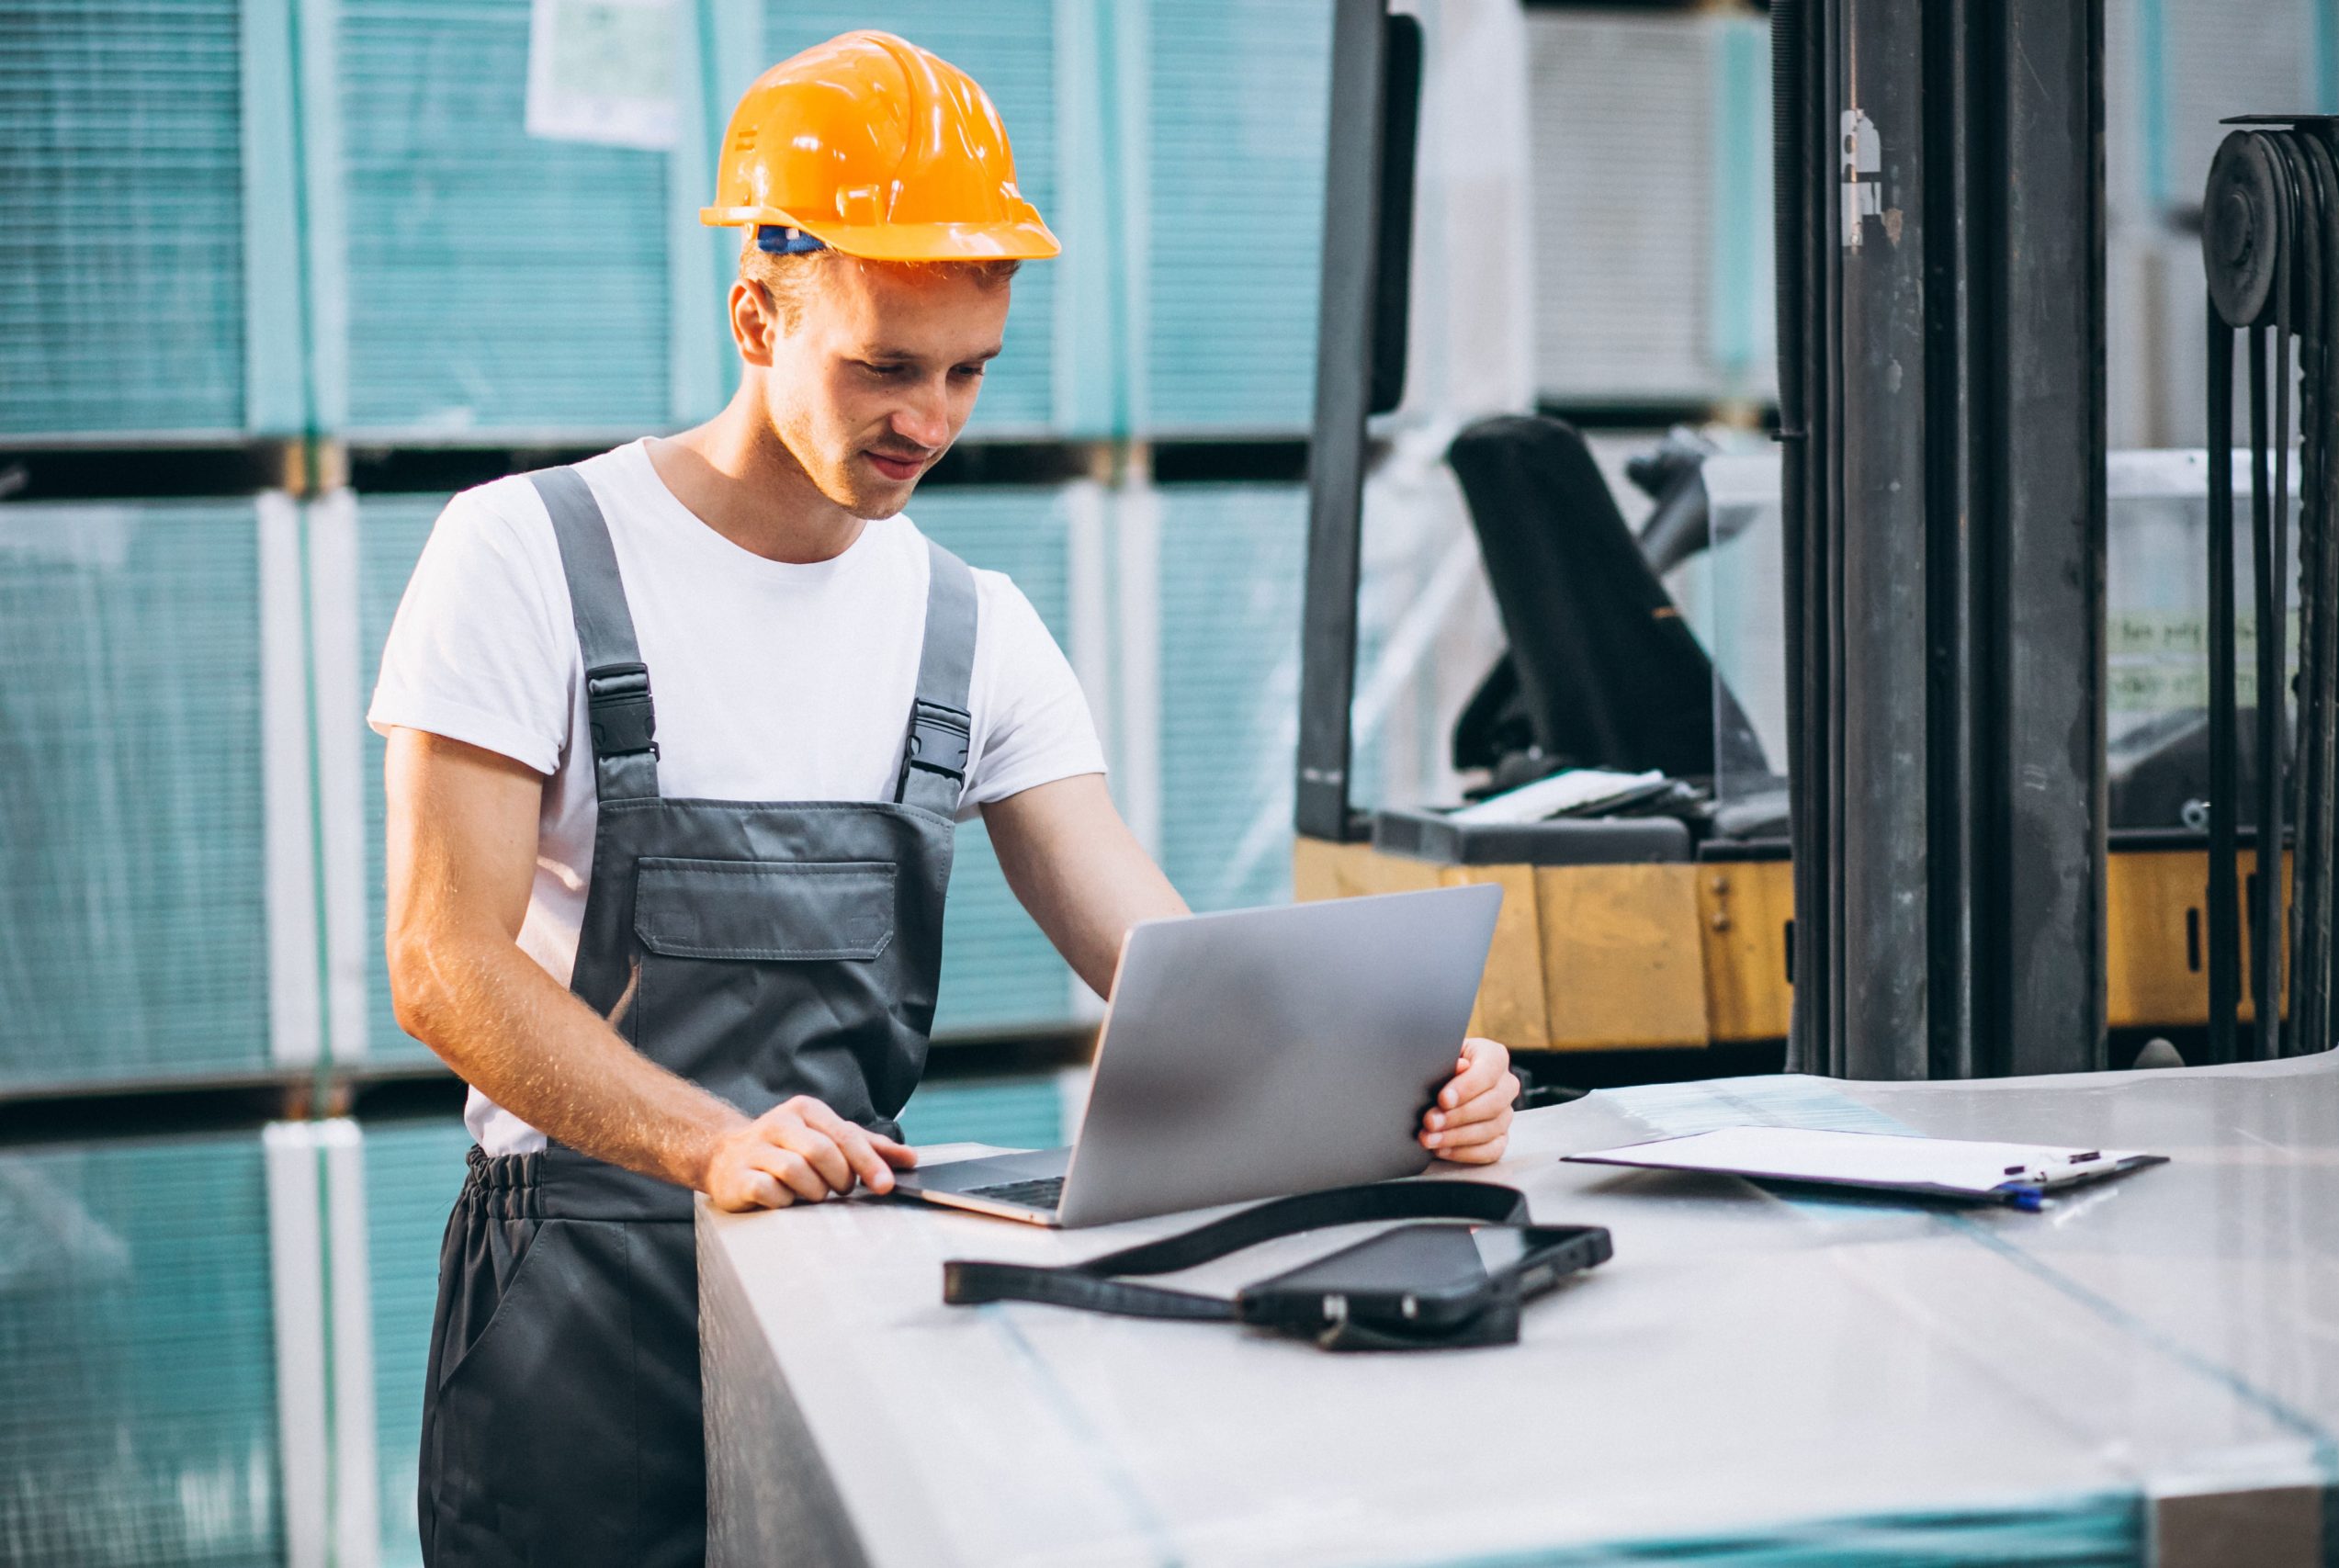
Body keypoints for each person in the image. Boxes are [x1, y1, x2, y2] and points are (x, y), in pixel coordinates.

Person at [375, 30, 1517, 1567]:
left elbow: (1166, 968)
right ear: (757, 312)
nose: (929, 419)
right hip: (576, 1299)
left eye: (967, 372)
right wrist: (709, 1139)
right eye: (884, 367)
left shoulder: (968, 631)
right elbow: (444, 962)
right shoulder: (522, 554)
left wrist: (1407, 1076)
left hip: (843, 1304)